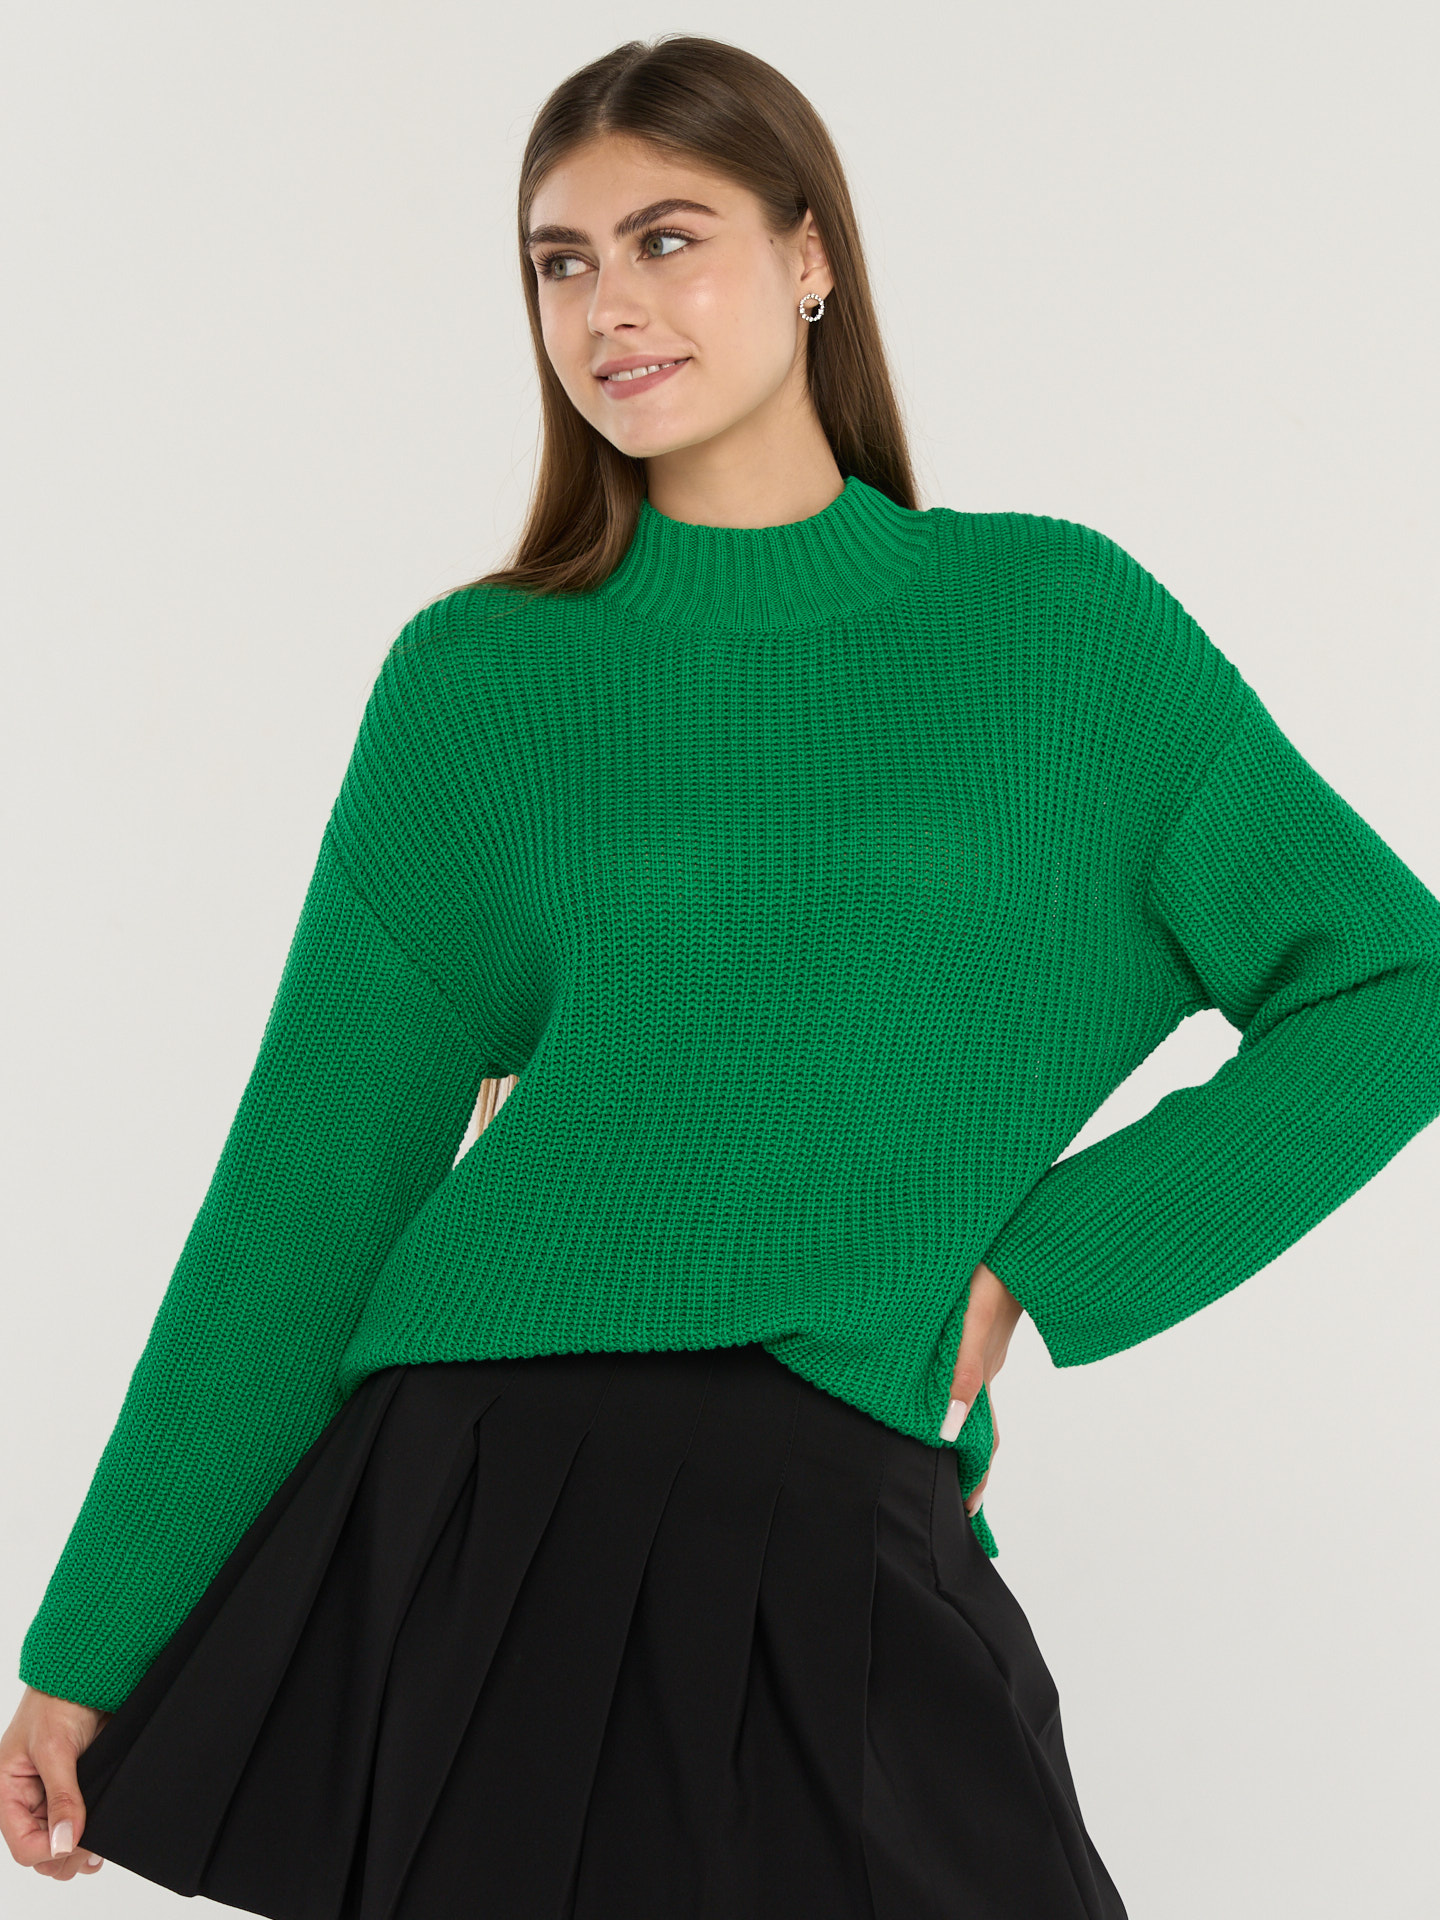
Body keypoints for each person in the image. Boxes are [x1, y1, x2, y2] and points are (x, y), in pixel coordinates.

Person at [5, 31, 1439, 1920]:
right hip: (480, 1501)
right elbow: (315, 1171)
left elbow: (1391, 982)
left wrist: (1036, 1268)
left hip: (841, 1488)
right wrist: (94, 1642)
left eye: (666, 239)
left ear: (811, 252)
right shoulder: (480, 682)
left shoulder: (1056, 628)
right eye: (561, 261)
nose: (608, 307)